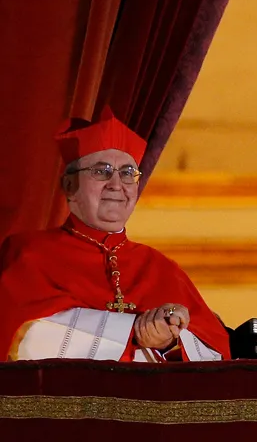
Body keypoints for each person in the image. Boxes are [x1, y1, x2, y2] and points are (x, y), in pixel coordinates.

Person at [0, 108, 230, 362]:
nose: (116, 184)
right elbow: (27, 337)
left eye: (128, 173)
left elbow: (216, 351)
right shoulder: (28, 252)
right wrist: (135, 333)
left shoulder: (163, 268)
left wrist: (172, 335)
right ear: (69, 186)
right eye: (102, 171)